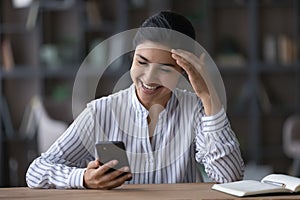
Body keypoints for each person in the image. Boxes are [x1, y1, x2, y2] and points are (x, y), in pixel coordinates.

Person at [26, 11, 244, 189]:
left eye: (165, 68)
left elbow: (230, 178)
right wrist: (83, 178)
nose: (148, 78)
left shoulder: (196, 109)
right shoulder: (101, 111)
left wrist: (208, 95)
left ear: (184, 71)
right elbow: (36, 171)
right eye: (142, 62)